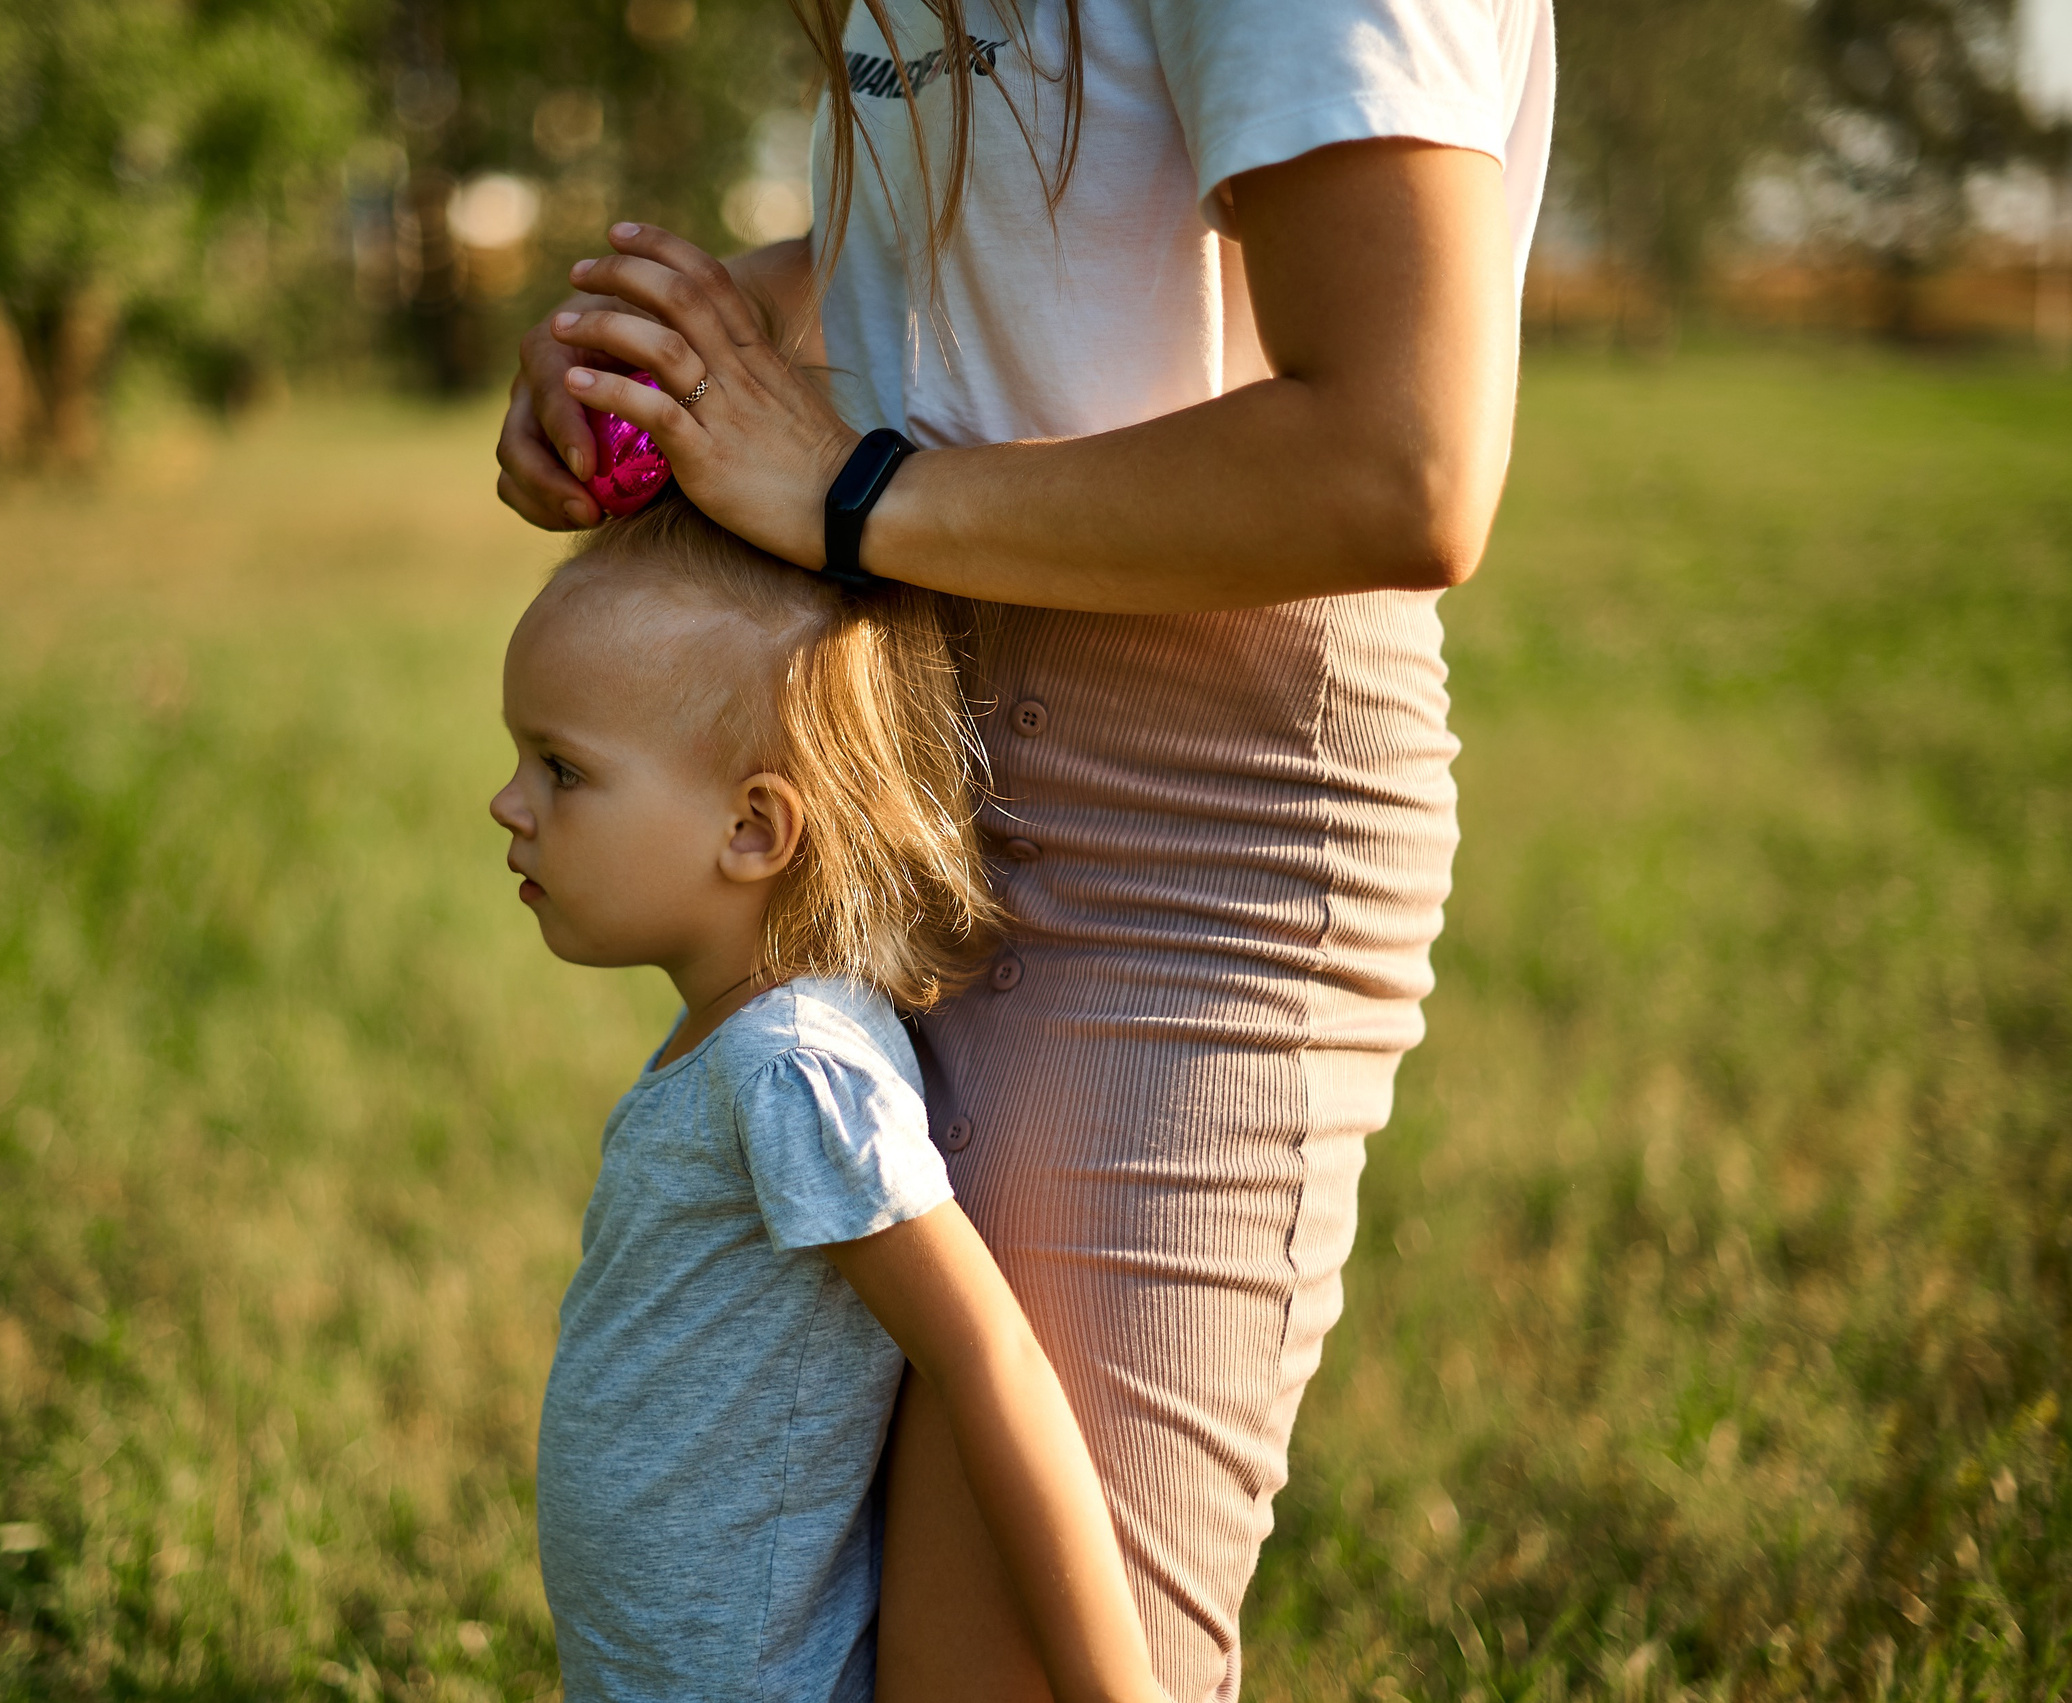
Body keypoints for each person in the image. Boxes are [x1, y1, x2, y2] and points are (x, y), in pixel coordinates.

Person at [492, 4, 1557, 1700]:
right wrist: (701, 340)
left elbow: (1404, 459)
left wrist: (848, 490)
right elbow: (1001, 262)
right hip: (923, 774)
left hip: (1186, 831)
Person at [491, 496, 1168, 1703]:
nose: (509, 802)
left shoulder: (795, 1069)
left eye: (563, 768)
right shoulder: (743, 1038)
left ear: (753, 827)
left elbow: (988, 1360)